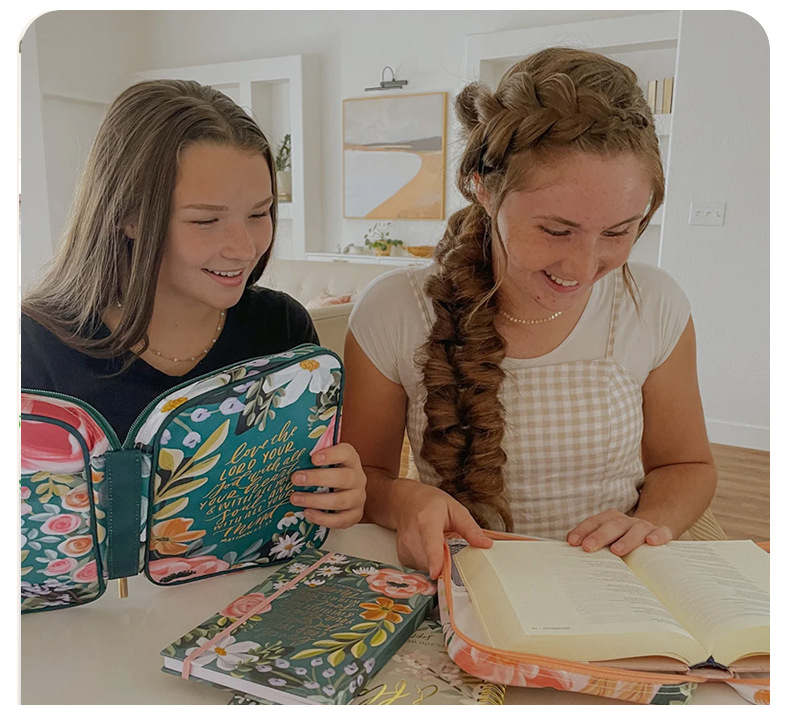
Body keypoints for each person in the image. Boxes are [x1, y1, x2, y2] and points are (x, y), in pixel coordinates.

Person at [341, 48, 717, 578]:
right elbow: (364, 477)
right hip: (462, 582)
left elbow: (686, 464)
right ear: (484, 188)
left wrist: (650, 523)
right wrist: (405, 501)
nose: (583, 266)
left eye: (618, 231)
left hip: (615, 583)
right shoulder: (395, 311)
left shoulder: (652, 304)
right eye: (556, 230)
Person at [21, 79, 365, 529]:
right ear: (128, 216)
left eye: (259, 213)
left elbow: (308, 499)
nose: (244, 248)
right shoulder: (31, 346)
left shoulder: (282, 328)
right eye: (206, 220)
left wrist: (341, 493)